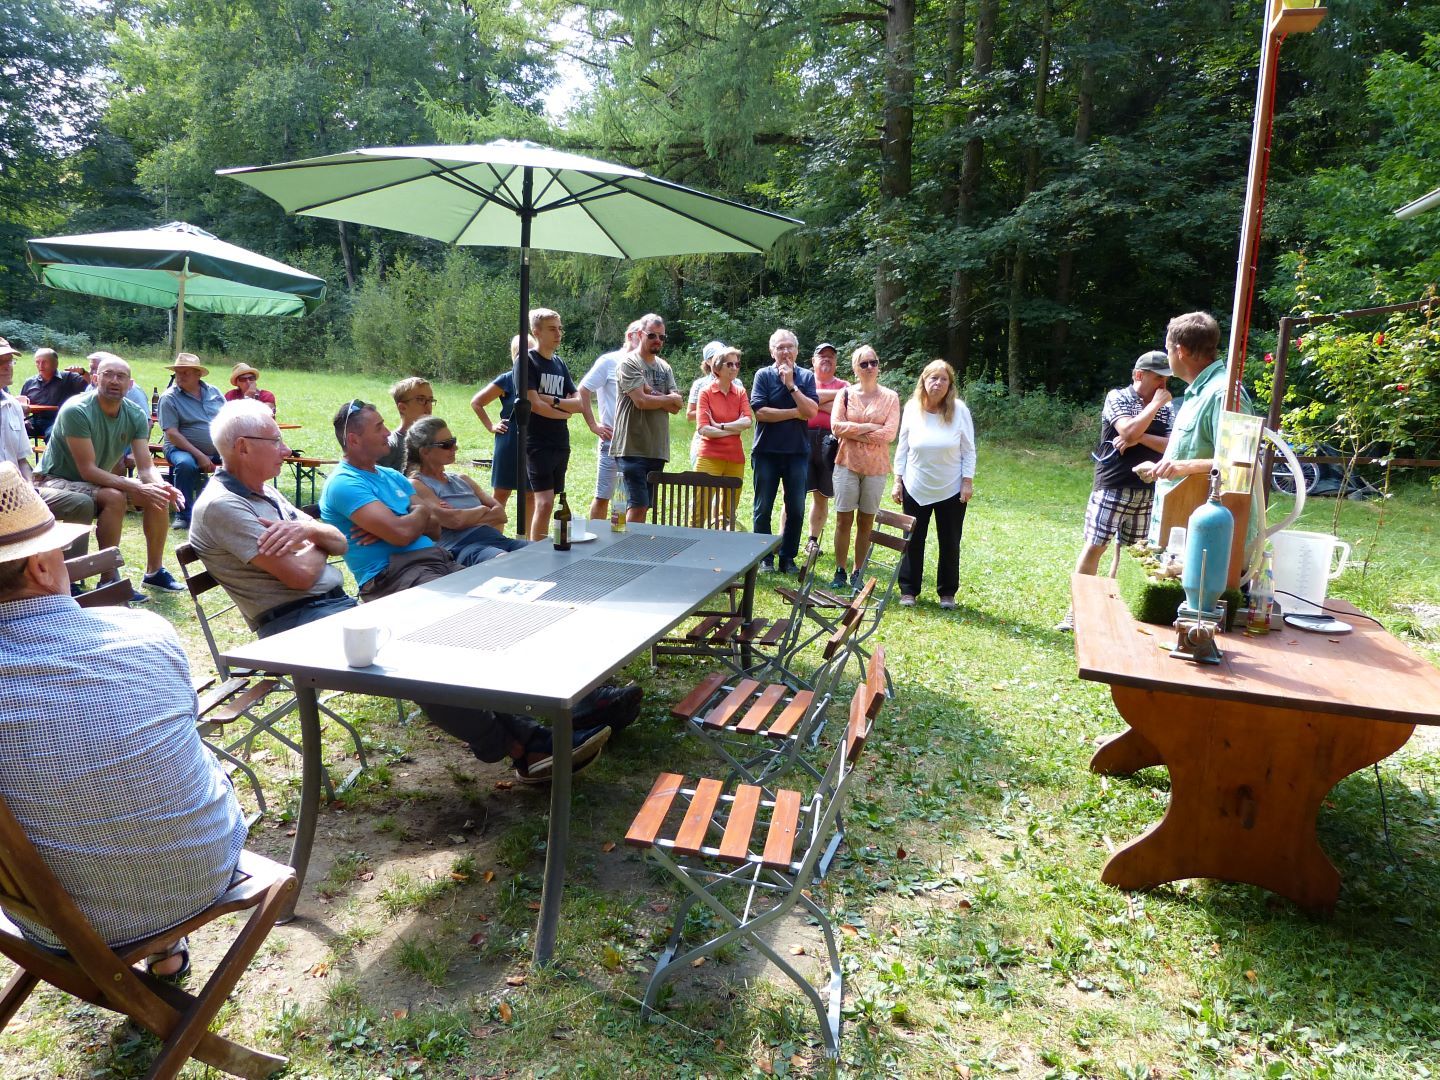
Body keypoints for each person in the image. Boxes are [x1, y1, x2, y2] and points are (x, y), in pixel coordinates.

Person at [0, 461, 247, 977]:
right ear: (41, 568)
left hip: (60, 922)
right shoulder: (145, 630)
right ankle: (166, 947)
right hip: (202, 869)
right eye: (62, 553)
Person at [318, 399, 629, 780]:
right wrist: (413, 517)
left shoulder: (389, 477)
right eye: (379, 427)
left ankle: (575, 703)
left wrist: (413, 518)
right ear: (353, 439)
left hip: (438, 562)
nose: (388, 432)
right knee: (480, 627)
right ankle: (531, 742)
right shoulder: (345, 483)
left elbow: (434, 527)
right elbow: (406, 531)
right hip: (394, 578)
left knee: (522, 609)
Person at [36, 354, 186, 594]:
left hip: (96, 482)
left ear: (130, 384)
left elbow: (146, 467)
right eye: (108, 375)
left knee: (157, 496)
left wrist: (161, 486)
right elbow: (87, 470)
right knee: (114, 497)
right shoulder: (77, 410)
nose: (115, 381)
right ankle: (109, 578)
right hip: (56, 480)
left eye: (121, 376)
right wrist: (136, 486)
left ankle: (154, 572)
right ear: (95, 379)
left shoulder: (135, 414)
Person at [1056, 350, 1174, 631]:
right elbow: (1127, 431)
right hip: (1113, 485)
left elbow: (1171, 446)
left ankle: (1120, 615)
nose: (1163, 384)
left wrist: (1139, 437)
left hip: (1148, 490)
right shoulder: (1117, 397)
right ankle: (1076, 613)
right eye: (1158, 377)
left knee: (1138, 555)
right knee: (1095, 546)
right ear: (1138, 375)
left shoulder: (1169, 408)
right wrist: (1152, 409)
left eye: (1167, 379)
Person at [891, 359, 975, 610]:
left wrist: (967, 482)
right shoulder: (911, 408)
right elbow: (902, 447)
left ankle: (947, 593)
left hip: (951, 488)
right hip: (915, 486)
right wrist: (897, 481)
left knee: (950, 541)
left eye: (943, 379)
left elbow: (968, 450)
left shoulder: (959, 410)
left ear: (950, 384)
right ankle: (909, 590)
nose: (938, 383)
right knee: (912, 540)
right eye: (933, 378)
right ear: (924, 381)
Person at [0, 340, 92, 561]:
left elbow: (22, 460)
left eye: (10, 361)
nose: (8, 366)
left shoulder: (13, 406)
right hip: (5, 498)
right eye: (1, 361)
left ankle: (71, 572)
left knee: (82, 504)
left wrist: (29, 487)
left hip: (18, 492)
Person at [403, 416, 528, 566]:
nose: (455, 448)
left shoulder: (462, 479)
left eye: (453, 441)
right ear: (425, 452)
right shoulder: (416, 484)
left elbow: (500, 514)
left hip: (497, 539)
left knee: (545, 551)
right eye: (446, 445)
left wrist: (464, 517)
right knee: (506, 562)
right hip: (463, 547)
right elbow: (454, 520)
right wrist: (483, 509)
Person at [829, 345, 899, 591]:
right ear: (855, 368)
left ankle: (858, 570)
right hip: (846, 463)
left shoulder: (890, 397)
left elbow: (889, 434)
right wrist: (869, 428)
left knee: (866, 521)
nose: (870, 367)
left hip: (876, 467)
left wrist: (855, 431)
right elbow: (836, 427)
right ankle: (840, 570)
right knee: (843, 519)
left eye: (874, 362)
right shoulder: (845, 394)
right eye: (864, 364)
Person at [749, 328, 819, 573]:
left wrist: (791, 385)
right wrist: (795, 413)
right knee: (763, 507)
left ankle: (787, 557)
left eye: (789, 346)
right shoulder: (763, 376)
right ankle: (764, 557)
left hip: (797, 453)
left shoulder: (806, 377)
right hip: (766, 452)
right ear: (772, 352)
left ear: (797, 351)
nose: (785, 351)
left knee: (796, 508)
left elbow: (811, 412)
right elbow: (761, 413)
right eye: (780, 347)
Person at [521, 308, 588, 541]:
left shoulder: (559, 363)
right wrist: (564, 413)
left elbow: (579, 403)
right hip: (537, 442)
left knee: (553, 501)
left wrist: (554, 400)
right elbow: (534, 404)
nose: (558, 334)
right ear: (536, 331)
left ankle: (540, 545)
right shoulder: (527, 361)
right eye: (552, 329)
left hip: (560, 442)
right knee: (544, 502)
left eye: (560, 329)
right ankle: (536, 552)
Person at [611, 313, 682, 524]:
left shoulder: (664, 367)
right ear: (640, 334)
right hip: (631, 447)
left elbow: (677, 406)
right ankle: (626, 544)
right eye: (652, 335)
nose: (657, 340)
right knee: (636, 505)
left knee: (642, 506)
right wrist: (666, 398)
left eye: (662, 337)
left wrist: (653, 393)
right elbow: (640, 401)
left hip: (656, 449)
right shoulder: (629, 363)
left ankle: (628, 540)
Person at [579, 320, 642, 522]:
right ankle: (596, 536)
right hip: (612, 439)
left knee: (629, 498)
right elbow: (583, 390)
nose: (645, 341)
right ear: (630, 336)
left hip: (637, 443)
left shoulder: (644, 365)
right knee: (603, 496)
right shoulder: (609, 361)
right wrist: (593, 425)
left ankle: (621, 535)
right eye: (641, 336)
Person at [158, 352, 225, 531]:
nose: (180, 376)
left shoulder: (214, 392)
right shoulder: (169, 398)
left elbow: (228, 419)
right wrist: (200, 455)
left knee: (241, 461)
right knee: (186, 464)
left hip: (218, 448)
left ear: (198, 374)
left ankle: (231, 510)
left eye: (185, 372)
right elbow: (172, 434)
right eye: (177, 372)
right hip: (179, 448)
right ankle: (183, 514)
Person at [471, 335, 535, 511]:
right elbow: (477, 402)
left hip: (533, 441)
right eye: (523, 353)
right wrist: (491, 426)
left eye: (532, 352)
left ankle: (529, 531)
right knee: (501, 493)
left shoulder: (539, 380)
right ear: (515, 356)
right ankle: (495, 528)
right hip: (509, 441)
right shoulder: (507, 379)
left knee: (530, 493)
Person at [693, 345, 752, 526]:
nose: (734, 368)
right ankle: (693, 541)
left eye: (737, 364)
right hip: (709, 456)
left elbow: (747, 421)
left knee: (728, 513)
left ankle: (721, 541)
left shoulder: (740, 392)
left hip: (735, 457)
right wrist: (734, 429)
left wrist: (720, 426)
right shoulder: (706, 392)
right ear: (717, 368)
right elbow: (703, 429)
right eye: (730, 364)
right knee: (699, 511)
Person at [805, 342, 848, 545]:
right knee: (792, 492)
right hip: (802, 439)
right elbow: (801, 402)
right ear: (813, 361)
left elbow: (844, 413)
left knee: (821, 495)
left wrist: (813, 402)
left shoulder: (845, 385)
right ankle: (783, 538)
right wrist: (836, 398)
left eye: (831, 356)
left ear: (836, 362)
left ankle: (812, 540)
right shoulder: (804, 380)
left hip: (830, 443)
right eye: (822, 356)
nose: (827, 359)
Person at [19, 347, 87, 439]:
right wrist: (24, 419)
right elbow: (21, 404)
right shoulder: (30, 382)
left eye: (44, 362)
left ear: (55, 363)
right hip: (34, 420)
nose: (41, 365)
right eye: (37, 362)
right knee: (13, 429)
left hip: (59, 421)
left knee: (53, 434)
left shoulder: (69, 378)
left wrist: (83, 373)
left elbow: (93, 386)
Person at [377, 377, 434, 471]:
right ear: (402, 408)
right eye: (421, 399)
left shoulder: (432, 439)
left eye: (430, 400)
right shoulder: (391, 445)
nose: (428, 406)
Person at [686, 341, 722, 468]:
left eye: (723, 357)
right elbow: (690, 414)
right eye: (716, 357)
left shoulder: (736, 383)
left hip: (729, 442)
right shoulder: (700, 384)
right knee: (703, 479)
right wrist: (713, 410)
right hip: (703, 441)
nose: (721, 361)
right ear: (708, 361)